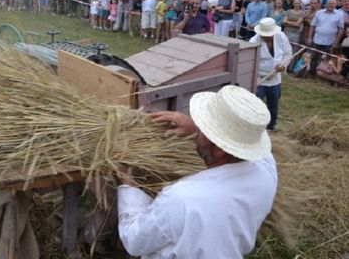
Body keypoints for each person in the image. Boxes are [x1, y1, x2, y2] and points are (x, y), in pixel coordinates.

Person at [117, 85, 278, 258]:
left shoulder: (184, 198)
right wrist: (195, 127)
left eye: (203, 128)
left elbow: (134, 240)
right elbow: (260, 153)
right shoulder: (267, 170)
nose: (199, 130)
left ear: (217, 146)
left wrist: (128, 185)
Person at [251, 17, 292, 131]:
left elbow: (288, 53)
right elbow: (250, 63)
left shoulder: (281, 36)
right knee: (256, 105)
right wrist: (254, 78)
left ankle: (271, 125)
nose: (267, 36)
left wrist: (283, 65)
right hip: (259, 79)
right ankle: (255, 126)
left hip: (275, 79)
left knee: (273, 105)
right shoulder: (254, 42)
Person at [307, 0, 345, 75]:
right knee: (313, 57)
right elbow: (312, 26)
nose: (331, 5)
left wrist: (336, 42)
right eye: (329, 3)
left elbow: (341, 29)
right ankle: (311, 73)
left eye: (333, 3)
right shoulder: (319, 12)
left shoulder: (340, 14)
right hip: (316, 39)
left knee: (324, 59)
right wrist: (310, 38)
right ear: (326, 4)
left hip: (330, 41)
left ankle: (319, 75)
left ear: (336, 4)